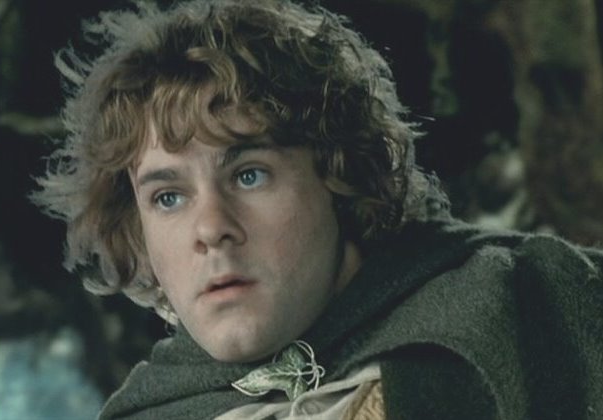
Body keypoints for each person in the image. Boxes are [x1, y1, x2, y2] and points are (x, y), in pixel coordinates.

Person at [32, 0, 603, 418]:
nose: (210, 229)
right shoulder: (150, 412)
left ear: (337, 175)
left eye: (249, 175)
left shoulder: (525, 301)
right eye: (168, 197)